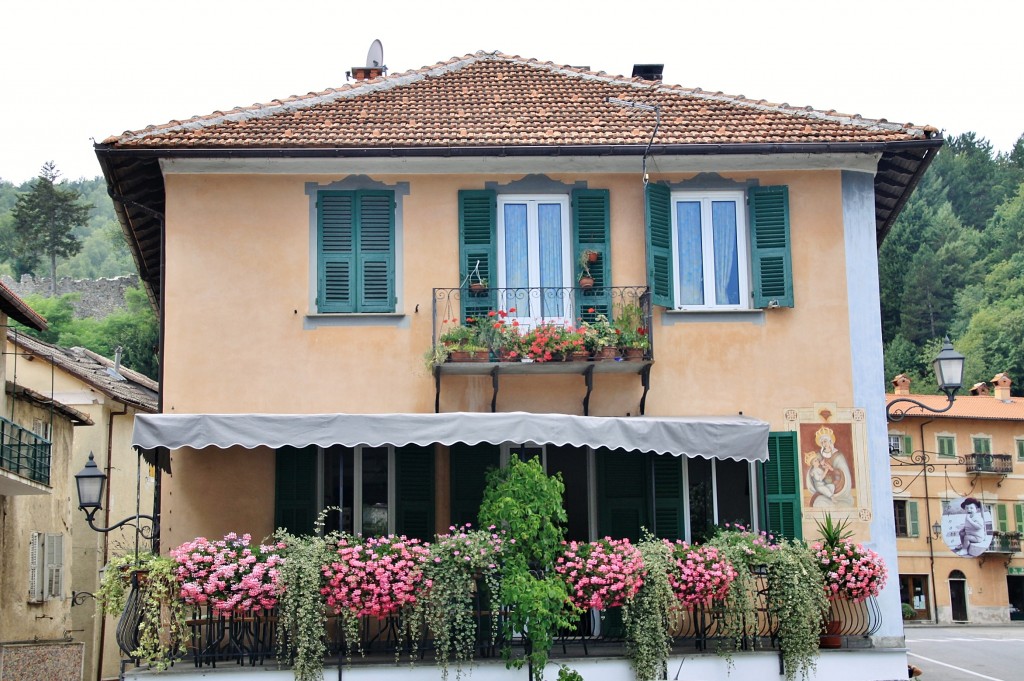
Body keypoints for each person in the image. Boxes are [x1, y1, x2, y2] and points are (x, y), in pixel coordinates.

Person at [805, 426, 854, 508]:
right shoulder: (818, 455)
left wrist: (831, 469)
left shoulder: (838, 456)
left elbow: (844, 472)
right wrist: (818, 468)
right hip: (822, 485)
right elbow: (813, 467)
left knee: (843, 504)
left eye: (825, 441)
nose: (824, 443)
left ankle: (832, 497)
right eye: (822, 442)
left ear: (830, 441)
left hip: (838, 487)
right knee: (819, 502)